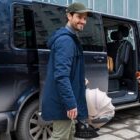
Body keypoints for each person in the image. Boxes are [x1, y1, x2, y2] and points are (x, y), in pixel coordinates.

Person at [41, 2, 94, 140]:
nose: (83, 21)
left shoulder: (70, 38)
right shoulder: (66, 41)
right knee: (60, 136)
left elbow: (67, 71)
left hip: (64, 99)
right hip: (62, 102)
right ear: (69, 16)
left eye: (85, 18)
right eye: (79, 17)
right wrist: (71, 104)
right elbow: (61, 76)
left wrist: (79, 79)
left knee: (69, 134)